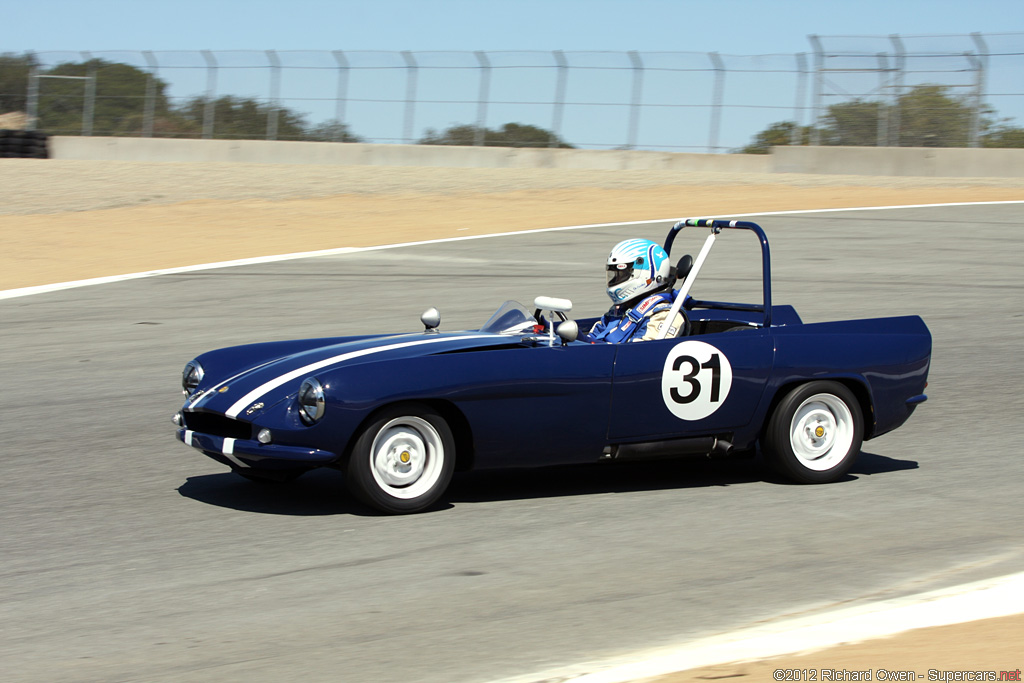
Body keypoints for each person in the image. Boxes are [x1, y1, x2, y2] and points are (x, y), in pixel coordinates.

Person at [580, 238, 688, 343]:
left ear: (646, 274)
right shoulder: (620, 310)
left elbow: (641, 354)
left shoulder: (665, 315)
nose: (615, 280)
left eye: (622, 275)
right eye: (615, 275)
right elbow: (593, 337)